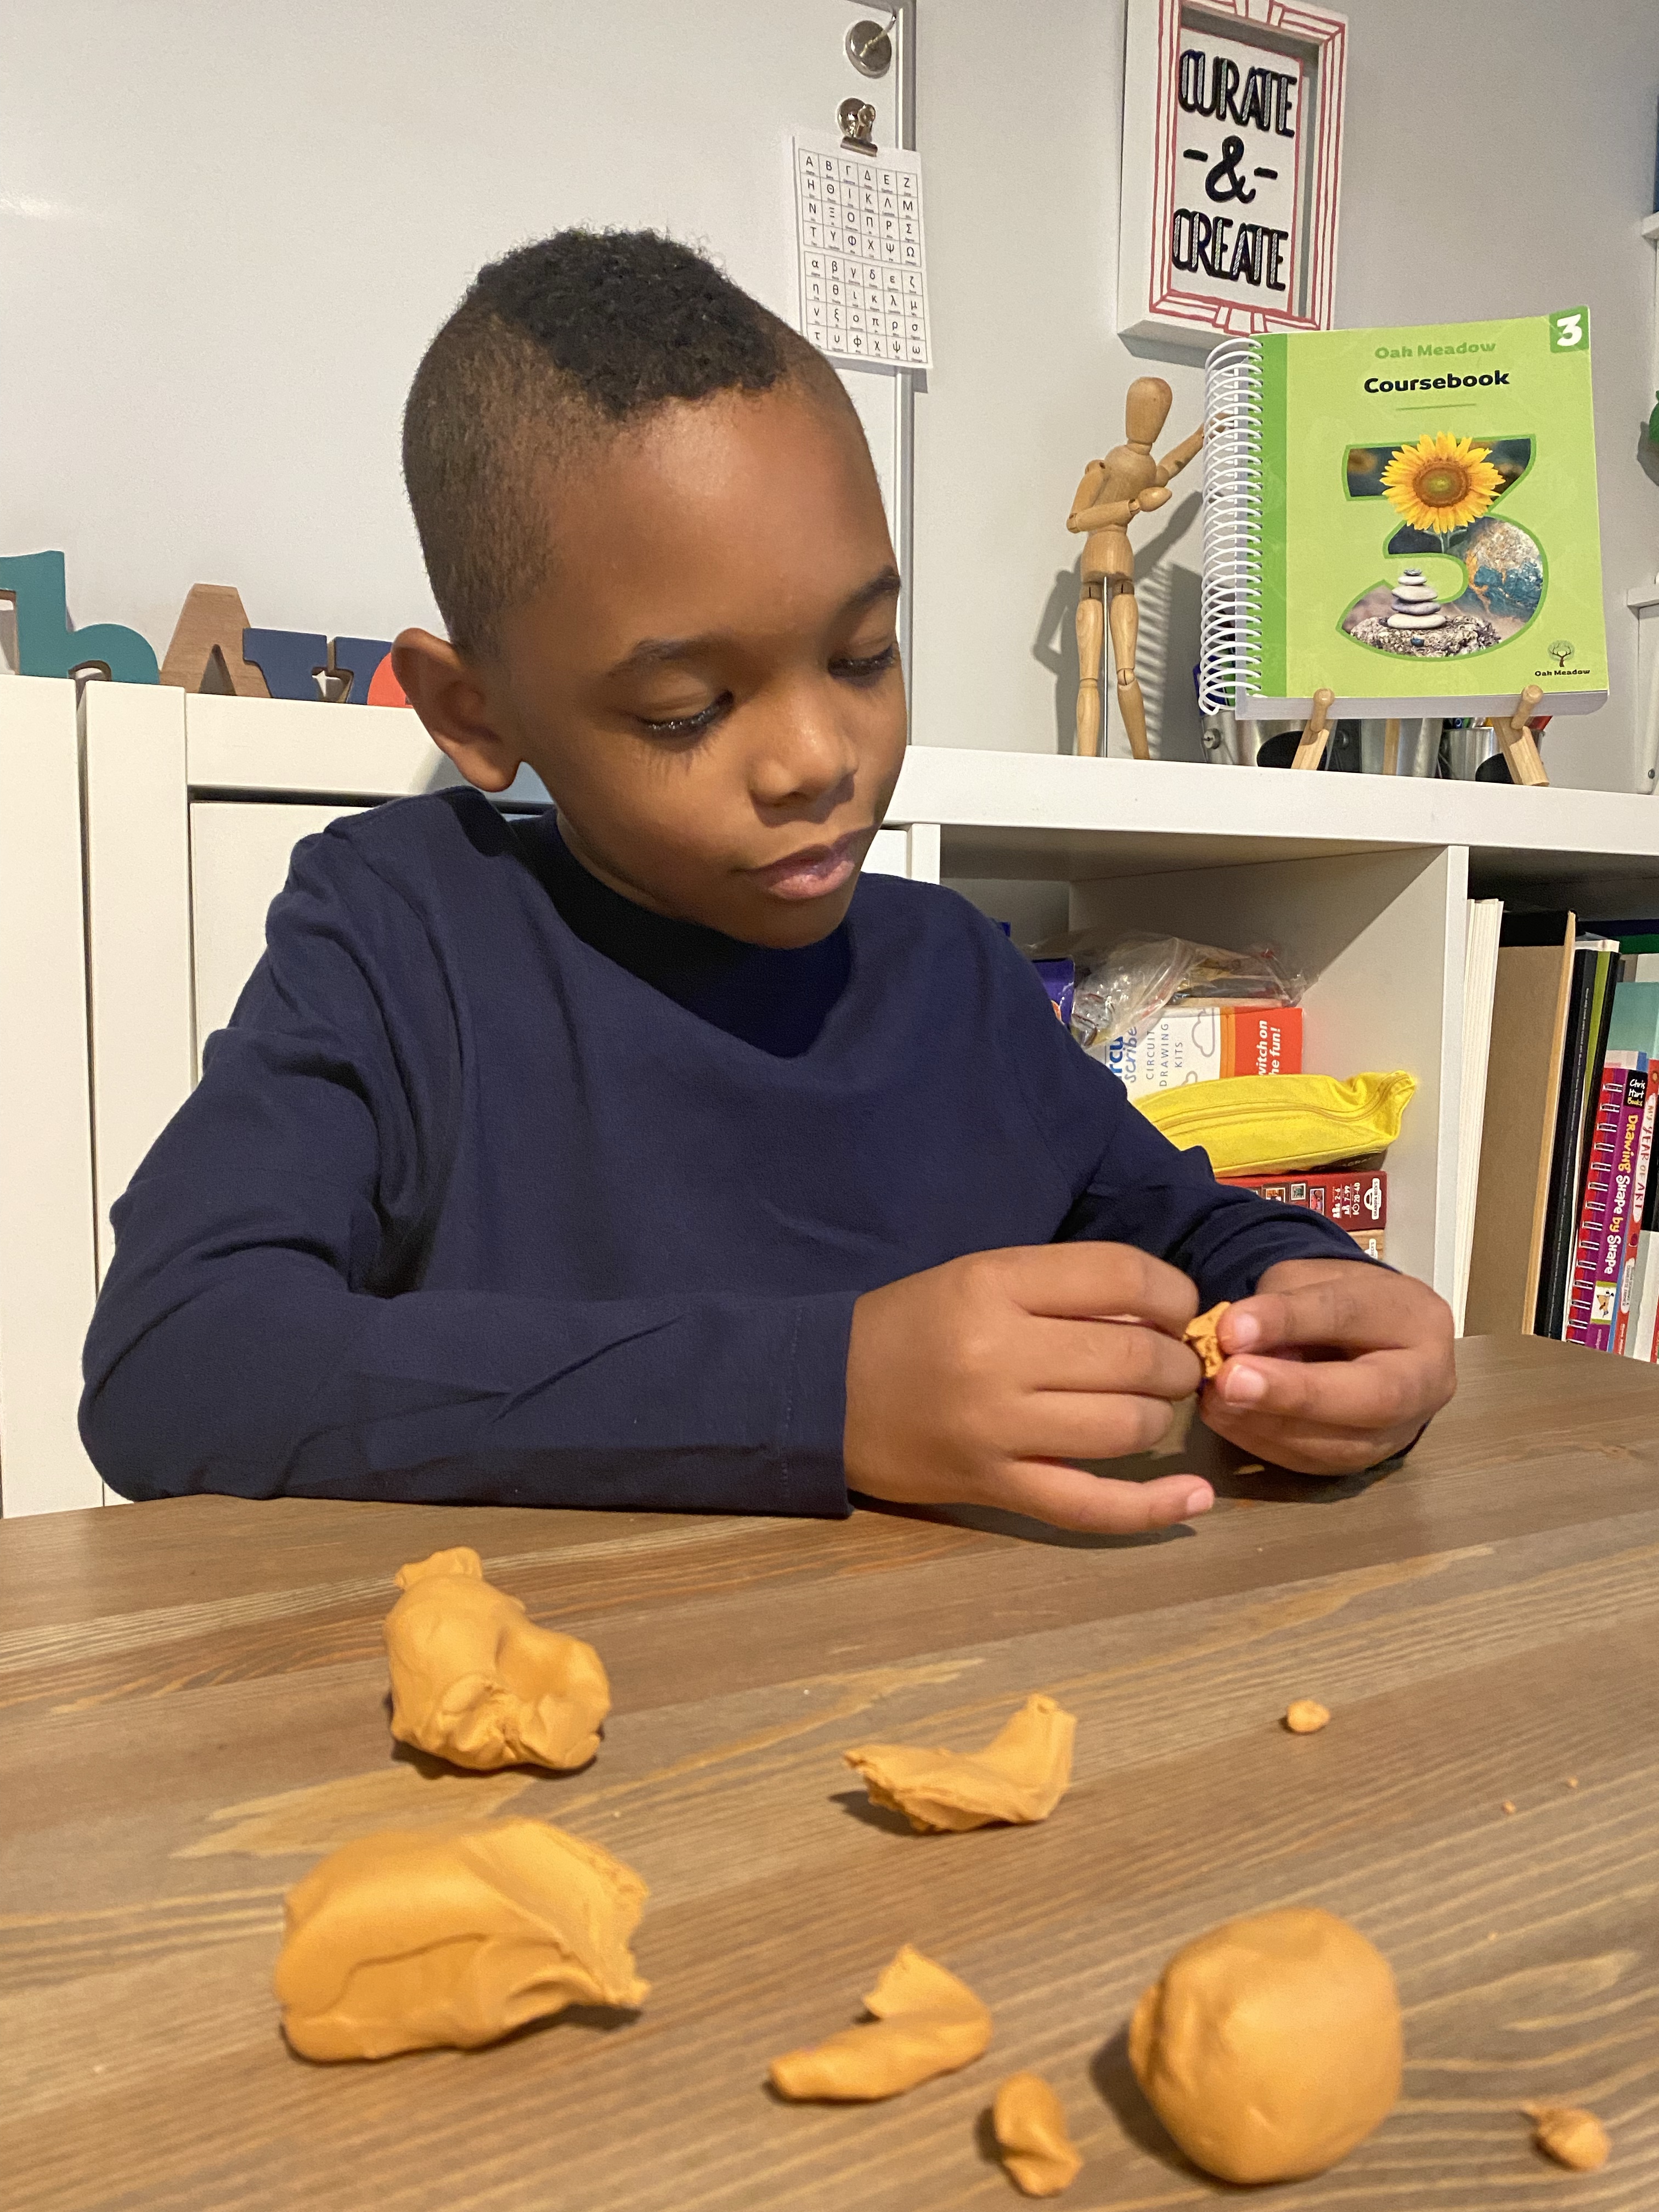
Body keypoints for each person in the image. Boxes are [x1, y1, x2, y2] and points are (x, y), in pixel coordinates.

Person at [80, 230, 1454, 1534]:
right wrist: (822, 1395)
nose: (816, 758)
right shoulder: (407, 930)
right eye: (685, 709)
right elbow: (177, 1364)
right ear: (475, 713)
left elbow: (1189, 1226)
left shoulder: (952, 977)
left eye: (864, 656)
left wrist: (1323, 1312)